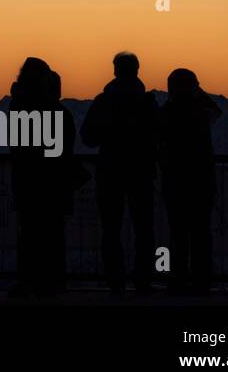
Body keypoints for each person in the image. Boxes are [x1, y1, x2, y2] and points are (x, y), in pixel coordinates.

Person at [80, 51, 158, 294]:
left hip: (110, 170)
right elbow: (159, 135)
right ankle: (143, 279)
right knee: (144, 228)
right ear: (137, 70)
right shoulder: (147, 103)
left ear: (115, 71)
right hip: (141, 171)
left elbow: (88, 137)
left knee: (111, 229)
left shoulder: (104, 102)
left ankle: (115, 279)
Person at [9, 58, 79, 298]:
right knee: (52, 234)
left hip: (28, 181)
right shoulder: (55, 111)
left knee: (29, 233)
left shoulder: (19, 107)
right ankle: (52, 281)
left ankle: (28, 281)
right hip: (53, 183)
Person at [159, 68, 219, 295]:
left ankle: (178, 279)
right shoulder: (200, 112)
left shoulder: (166, 112)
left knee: (178, 233)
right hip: (201, 180)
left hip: (174, 180)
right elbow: (217, 111)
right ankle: (202, 280)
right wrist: (198, 92)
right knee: (201, 233)